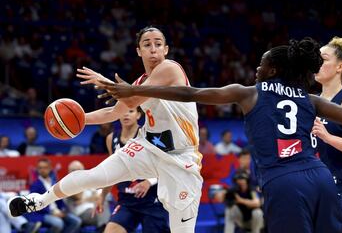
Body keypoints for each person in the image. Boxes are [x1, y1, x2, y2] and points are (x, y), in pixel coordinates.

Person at [94, 37, 342, 232]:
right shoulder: (310, 98)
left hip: (285, 180)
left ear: (274, 70)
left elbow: (191, 93)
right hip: (321, 177)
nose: (256, 69)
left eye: (262, 65)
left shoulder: (250, 92)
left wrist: (135, 92)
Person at [8, 26, 202, 233]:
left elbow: (134, 98)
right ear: (139, 51)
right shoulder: (138, 83)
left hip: (181, 159)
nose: (153, 49)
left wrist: (106, 83)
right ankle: (39, 200)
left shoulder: (170, 68)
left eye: (158, 44)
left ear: (166, 50)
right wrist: (78, 121)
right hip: (148, 147)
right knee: (94, 175)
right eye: (147, 44)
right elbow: (112, 113)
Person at [311, 36, 342, 233]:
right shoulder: (314, 101)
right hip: (317, 190)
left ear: (340, 67)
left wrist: (329, 138)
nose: (317, 63)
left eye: (323, 59)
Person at [97, 107, 170, 233]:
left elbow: (167, 165)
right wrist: (102, 196)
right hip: (127, 201)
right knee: (111, 230)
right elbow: (111, 171)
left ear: (138, 115)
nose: (126, 114)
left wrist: (149, 181)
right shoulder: (111, 138)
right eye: (123, 111)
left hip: (152, 200)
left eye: (130, 111)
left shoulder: (149, 135)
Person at [26, 158, 82, 233]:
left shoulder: (54, 182)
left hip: (57, 211)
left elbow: (60, 200)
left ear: (50, 168)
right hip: (43, 213)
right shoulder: (35, 185)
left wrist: (63, 210)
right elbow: (35, 204)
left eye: (45, 167)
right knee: (59, 224)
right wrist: (52, 213)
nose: (42, 170)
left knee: (76, 221)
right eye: (40, 168)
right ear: (37, 169)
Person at [64, 160, 110, 230]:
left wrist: (85, 199)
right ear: (68, 172)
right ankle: (104, 228)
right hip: (81, 212)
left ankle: (104, 227)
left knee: (103, 203)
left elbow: (101, 195)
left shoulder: (89, 181)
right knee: (103, 210)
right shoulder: (67, 184)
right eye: (73, 170)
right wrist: (93, 197)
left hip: (93, 209)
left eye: (79, 169)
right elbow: (78, 196)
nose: (76, 172)